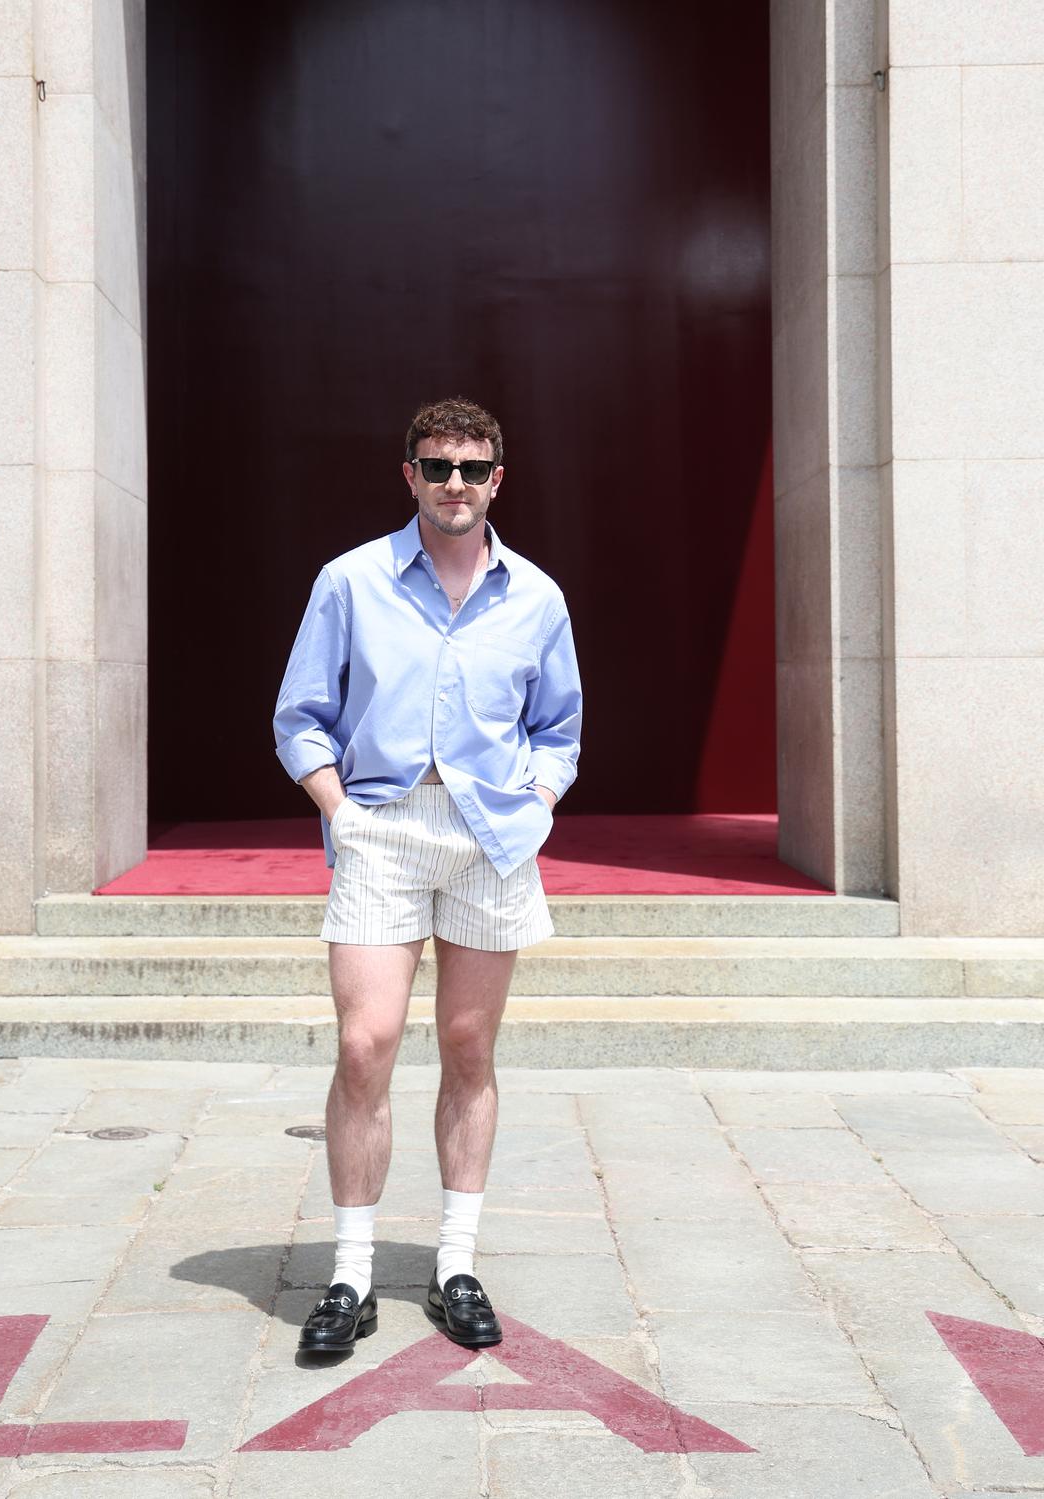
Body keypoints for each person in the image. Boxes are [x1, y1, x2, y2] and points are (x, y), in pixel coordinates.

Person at [272, 396, 582, 1353]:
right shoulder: (351, 581)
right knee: (365, 1044)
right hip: (383, 828)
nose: (457, 484)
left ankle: (455, 1263)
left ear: (499, 479)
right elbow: (301, 716)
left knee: (467, 1048)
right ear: (408, 473)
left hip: (493, 835)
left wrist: (535, 806)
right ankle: (352, 1274)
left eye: (474, 468)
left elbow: (558, 729)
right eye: (438, 466)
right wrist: (344, 816)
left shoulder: (537, 596)